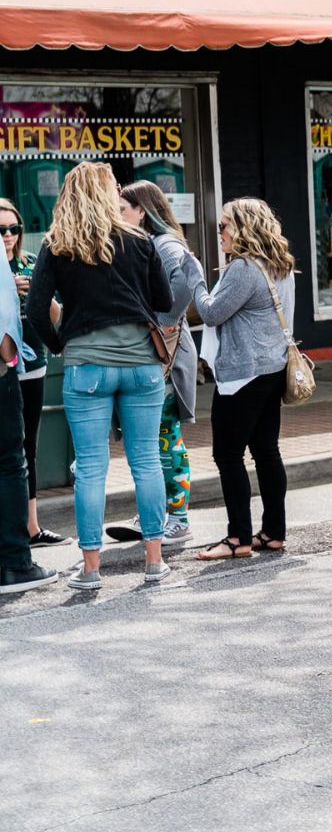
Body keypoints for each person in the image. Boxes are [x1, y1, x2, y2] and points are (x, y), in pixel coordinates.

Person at [25, 162, 174, 590]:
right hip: (142, 366)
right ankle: (154, 562)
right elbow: (162, 300)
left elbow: (36, 310)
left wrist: (60, 346)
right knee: (146, 461)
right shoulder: (140, 240)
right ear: (109, 195)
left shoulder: (58, 245)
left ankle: (91, 570)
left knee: (91, 468)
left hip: (86, 366)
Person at [193, 198, 298, 561]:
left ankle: (237, 538)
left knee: (228, 454)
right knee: (267, 451)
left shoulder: (242, 268)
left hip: (244, 375)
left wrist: (195, 280)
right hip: (273, 369)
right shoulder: (280, 264)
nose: (218, 232)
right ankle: (273, 532)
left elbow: (211, 312)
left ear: (243, 228)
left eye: (223, 226)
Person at [102, 182, 204, 548]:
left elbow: (185, 282)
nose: (118, 215)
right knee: (152, 439)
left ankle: (177, 519)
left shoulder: (165, 245)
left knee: (165, 438)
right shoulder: (148, 244)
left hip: (166, 357)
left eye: (123, 209)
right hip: (155, 355)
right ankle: (158, 512)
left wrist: (164, 318)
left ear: (142, 210)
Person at [0, 199, 64, 549]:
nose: (8, 236)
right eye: (1, 230)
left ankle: (32, 527)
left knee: (29, 447)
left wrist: (37, 293)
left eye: (14, 229)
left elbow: (55, 314)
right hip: (3, 369)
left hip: (33, 365)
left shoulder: (30, 263)